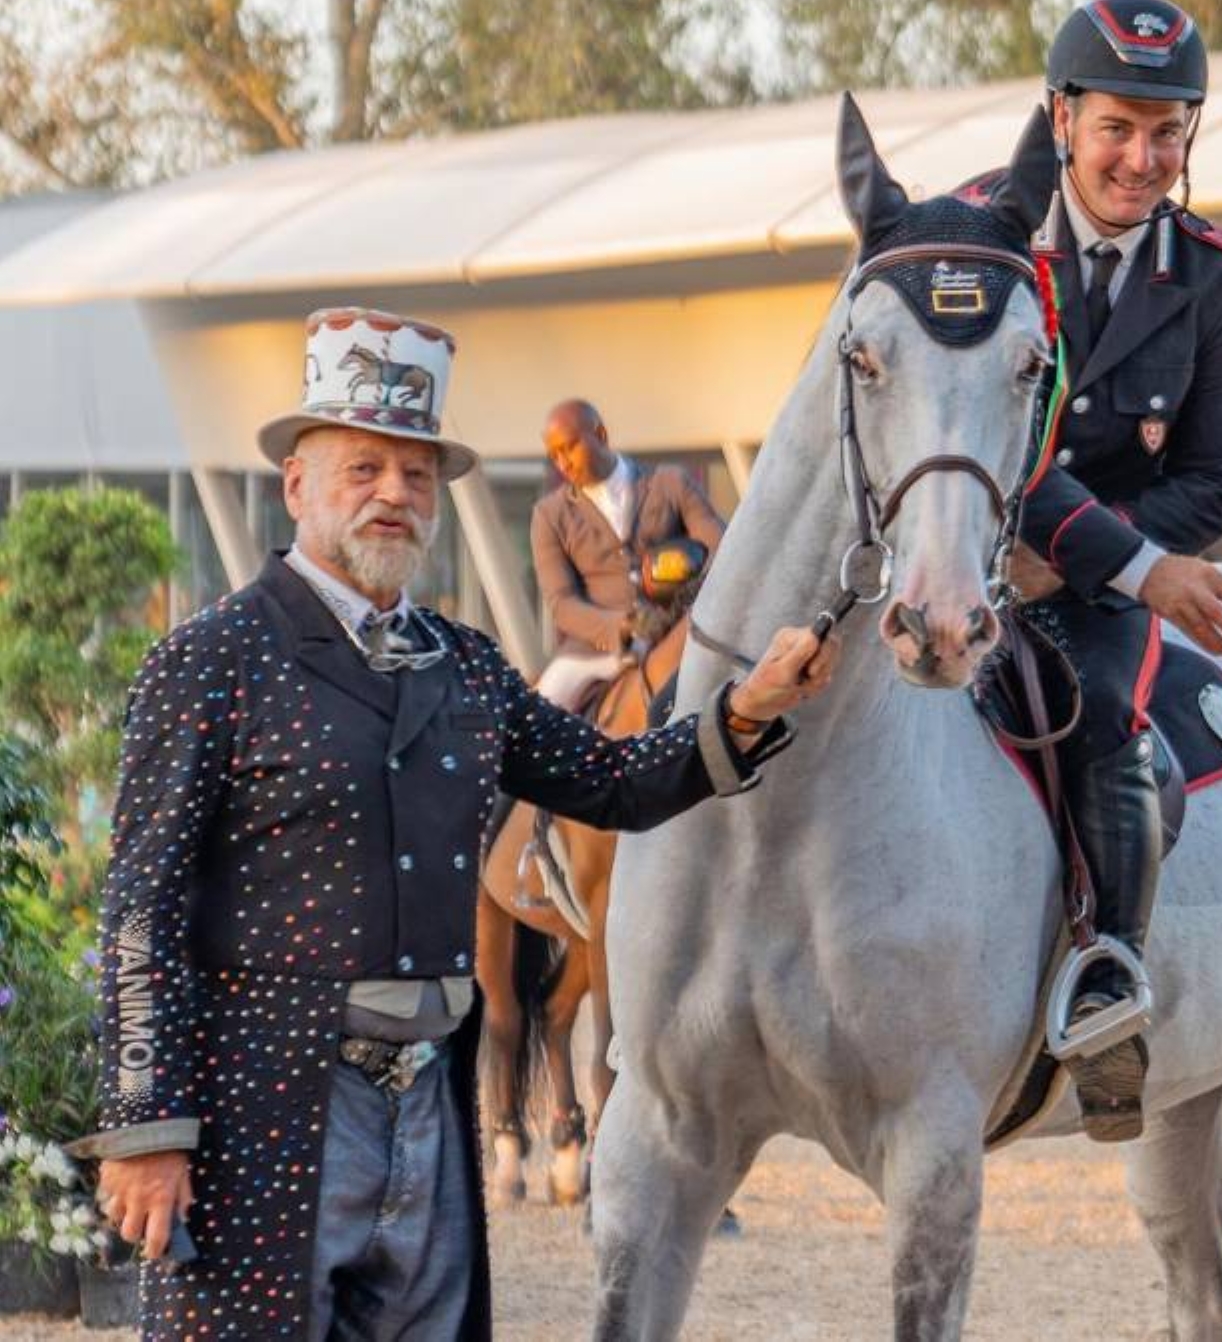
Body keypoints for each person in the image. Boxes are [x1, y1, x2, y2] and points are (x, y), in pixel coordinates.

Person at [70, 307, 839, 1339]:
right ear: (296, 483)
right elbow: (140, 907)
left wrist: (745, 709)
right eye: (364, 469)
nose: (395, 494)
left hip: (430, 1107)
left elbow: (610, 781)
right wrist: (143, 1127)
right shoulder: (211, 660)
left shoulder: (466, 662)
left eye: (417, 476)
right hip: (267, 1112)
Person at [978, 0, 1222, 1141]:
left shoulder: (1212, 275)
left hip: (1089, 598)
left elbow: (1218, 475)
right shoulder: (976, 237)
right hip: (952, 550)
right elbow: (988, 445)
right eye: (1115, 129)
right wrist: (1123, 556)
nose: (1141, 160)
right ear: (1059, 116)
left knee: (1109, 718)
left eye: (1167, 133)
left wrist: (1102, 566)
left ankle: (1108, 979)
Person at [532, 398, 726, 711]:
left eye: (569, 448)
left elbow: (719, 550)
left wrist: (678, 606)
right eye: (554, 456)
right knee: (532, 727)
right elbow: (561, 603)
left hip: (682, 635)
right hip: (594, 652)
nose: (563, 463)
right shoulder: (549, 514)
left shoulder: (671, 482)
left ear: (602, 434)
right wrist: (621, 626)